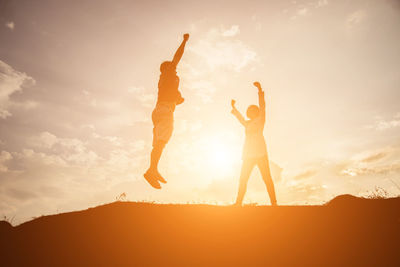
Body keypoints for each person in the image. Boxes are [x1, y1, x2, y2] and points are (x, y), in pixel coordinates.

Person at [144, 33, 189, 189]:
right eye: (172, 67)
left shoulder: (166, 82)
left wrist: (179, 99)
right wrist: (184, 41)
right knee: (161, 143)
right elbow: (177, 57)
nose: (175, 69)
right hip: (164, 111)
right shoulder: (168, 73)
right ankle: (151, 170)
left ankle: (153, 169)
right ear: (167, 68)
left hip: (158, 111)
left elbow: (175, 97)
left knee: (158, 144)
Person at [231, 82, 277, 206]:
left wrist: (260, 90)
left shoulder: (261, 119)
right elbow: (240, 119)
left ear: (256, 112)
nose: (250, 111)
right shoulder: (247, 124)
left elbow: (263, 106)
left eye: (253, 110)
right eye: (249, 110)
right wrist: (234, 108)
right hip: (248, 155)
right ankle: (238, 203)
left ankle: (274, 203)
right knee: (243, 179)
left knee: (267, 178)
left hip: (261, 154)